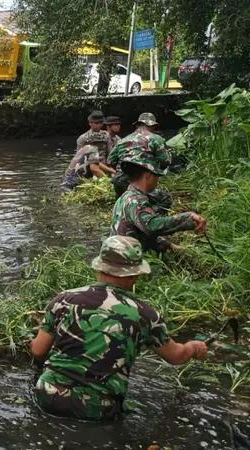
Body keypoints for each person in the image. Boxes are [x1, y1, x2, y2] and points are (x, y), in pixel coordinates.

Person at [30, 235, 208, 422]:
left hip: (47, 395)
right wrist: (193, 348)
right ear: (135, 275)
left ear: (99, 267)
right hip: (98, 408)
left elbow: (38, 350)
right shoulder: (145, 314)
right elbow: (176, 356)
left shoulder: (63, 299)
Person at [111, 147, 206, 252]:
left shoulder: (126, 196)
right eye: (157, 176)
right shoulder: (135, 200)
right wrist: (188, 218)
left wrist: (167, 244)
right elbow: (151, 226)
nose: (157, 180)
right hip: (126, 260)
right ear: (148, 175)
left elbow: (140, 231)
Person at [108, 112, 165, 197]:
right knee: (164, 199)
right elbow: (165, 160)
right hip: (142, 181)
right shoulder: (156, 138)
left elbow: (110, 161)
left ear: (137, 125)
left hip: (120, 180)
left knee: (123, 205)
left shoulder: (123, 140)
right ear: (152, 125)